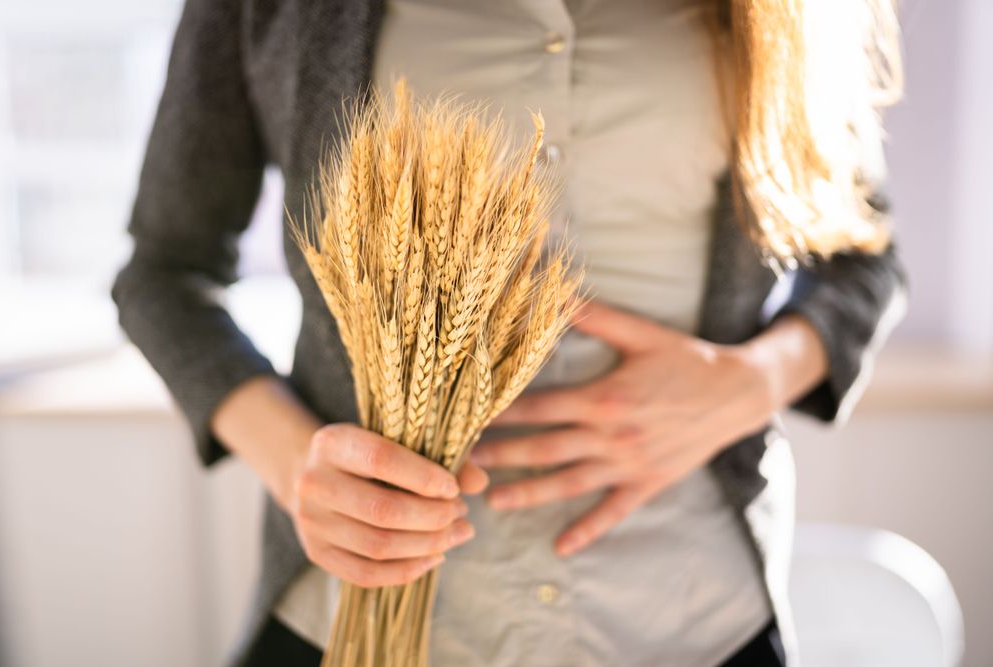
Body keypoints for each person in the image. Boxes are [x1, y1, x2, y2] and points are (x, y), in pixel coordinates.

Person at [111, 0, 907, 665]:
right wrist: (299, 468)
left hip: (693, 617)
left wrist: (753, 380)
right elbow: (165, 273)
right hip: (360, 623)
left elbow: (865, 261)